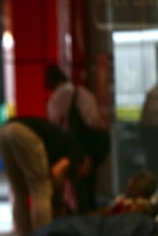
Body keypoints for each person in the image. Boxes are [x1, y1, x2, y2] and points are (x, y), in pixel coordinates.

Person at [0, 116, 92, 236]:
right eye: (83, 174)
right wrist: (58, 202)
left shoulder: (61, 144)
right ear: (86, 164)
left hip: (3, 132)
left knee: (19, 190)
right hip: (24, 133)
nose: (80, 177)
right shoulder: (78, 154)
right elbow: (56, 172)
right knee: (41, 190)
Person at [44, 65, 110, 212]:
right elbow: (95, 120)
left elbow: (53, 120)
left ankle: (82, 218)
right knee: (90, 184)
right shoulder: (83, 92)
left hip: (79, 144)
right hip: (96, 144)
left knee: (79, 186)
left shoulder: (60, 95)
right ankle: (92, 216)